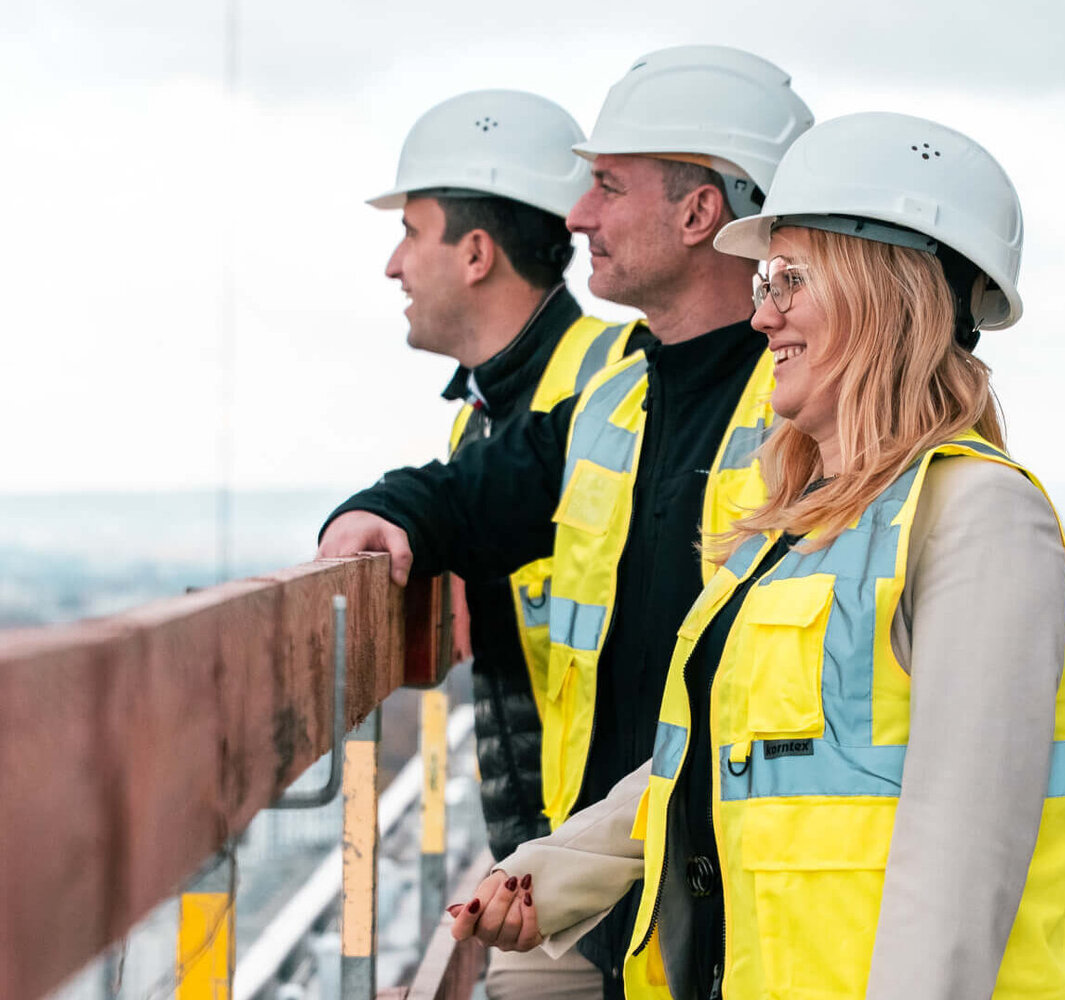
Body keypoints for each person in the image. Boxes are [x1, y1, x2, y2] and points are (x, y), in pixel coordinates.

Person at [446, 112, 1065, 1000]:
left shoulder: (977, 517)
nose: (762, 314)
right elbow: (707, 761)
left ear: (883, 294)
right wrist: (550, 875)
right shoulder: (800, 524)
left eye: (789, 279)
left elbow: (960, 861)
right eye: (763, 280)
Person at [317, 46, 813, 998]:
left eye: (607, 188)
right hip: (606, 886)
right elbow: (479, 490)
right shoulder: (616, 400)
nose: (578, 214)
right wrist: (380, 511)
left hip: (721, 896)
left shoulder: (798, 414)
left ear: (700, 212)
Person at [344, 87, 640, 873]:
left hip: (609, 853)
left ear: (477, 254)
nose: (392, 265)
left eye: (411, 234)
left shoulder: (623, 385)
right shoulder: (479, 417)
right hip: (548, 855)